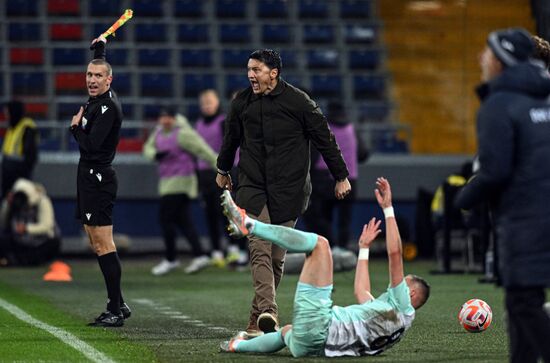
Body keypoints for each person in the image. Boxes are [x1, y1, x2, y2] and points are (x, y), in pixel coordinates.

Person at [215, 49, 351, 336]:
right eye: (249, 69)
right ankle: (269, 310)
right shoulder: (241, 102)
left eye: (257, 70)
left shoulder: (299, 102)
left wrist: (341, 176)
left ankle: (256, 319)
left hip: (289, 189)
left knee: (277, 257)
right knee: (259, 245)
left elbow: (325, 139)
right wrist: (223, 170)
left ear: (273, 73)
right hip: (252, 184)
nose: (251, 75)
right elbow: (231, 139)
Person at [219, 177, 430, 357]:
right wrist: (364, 249)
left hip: (322, 328)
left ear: (411, 293)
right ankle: (236, 345)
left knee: (321, 245)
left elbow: (394, 255)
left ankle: (249, 224)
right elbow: (361, 292)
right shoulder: (393, 321)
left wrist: (388, 209)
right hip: (315, 346)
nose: (396, 284)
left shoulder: (404, 306)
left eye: (404, 282)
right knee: (287, 332)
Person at [455, 28, 550, 362]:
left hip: (523, 219)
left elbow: (495, 172)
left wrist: (464, 199)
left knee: (524, 304)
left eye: (487, 52)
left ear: (500, 60)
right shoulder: (543, 97)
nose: (482, 58)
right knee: (521, 303)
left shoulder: (499, 104)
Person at [69, 35, 130, 327]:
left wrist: (74, 128)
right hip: (88, 177)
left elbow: (91, 145)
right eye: (89, 75)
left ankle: (115, 310)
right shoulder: (96, 99)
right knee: (95, 241)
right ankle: (119, 302)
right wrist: (100, 46)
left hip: (98, 178)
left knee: (104, 244)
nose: (92, 80)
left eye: (98, 76)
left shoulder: (107, 108)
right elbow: (101, 61)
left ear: (109, 81)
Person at [143, 108, 218, 275]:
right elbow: (147, 148)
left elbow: (202, 149)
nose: (165, 121)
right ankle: (199, 255)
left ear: (174, 118)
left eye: (168, 117)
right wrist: (155, 154)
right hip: (166, 182)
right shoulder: (158, 132)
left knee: (165, 219)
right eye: (162, 117)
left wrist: (220, 167)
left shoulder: (183, 133)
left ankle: (171, 259)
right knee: (183, 221)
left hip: (182, 182)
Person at [305, 101, 369, 255]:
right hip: (350, 179)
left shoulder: (323, 128)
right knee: (344, 220)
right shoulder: (352, 129)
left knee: (321, 215)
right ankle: (343, 249)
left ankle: (329, 247)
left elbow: (313, 156)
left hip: (324, 178)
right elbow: (363, 153)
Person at [195, 89, 247, 268]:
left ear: (217, 103)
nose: (207, 106)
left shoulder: (223, 123)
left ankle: (235, 249)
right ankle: (216, 251)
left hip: (223, 172)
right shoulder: (199, 124)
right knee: (210, 213)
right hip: (204, 174)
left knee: (229, 212)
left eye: (210, 102)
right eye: (204, 103)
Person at [0, 178, 60, 266]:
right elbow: (2, 224)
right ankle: (14, 260)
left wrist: (26, 228)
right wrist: (7, 205)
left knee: (53, 243)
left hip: (40, 243)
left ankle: (19, 261)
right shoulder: (13, 204)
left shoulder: (42, 201)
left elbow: (46, 226)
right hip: (19, 242)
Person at [1, 100, 39, 199]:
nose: (6, 116)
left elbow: (30, 158)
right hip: (7, 179)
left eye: (7, 113)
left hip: (20, 181)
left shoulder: (27, 128)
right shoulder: (12, 128)